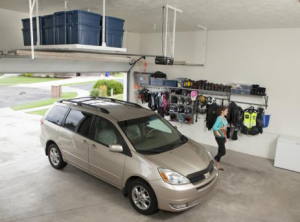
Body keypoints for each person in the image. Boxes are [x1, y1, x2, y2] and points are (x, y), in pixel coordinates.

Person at [212, 106, 228, 171]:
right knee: (223, 152)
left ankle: (218, 165)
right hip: (218, 136)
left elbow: (225, 129)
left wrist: (225, 137)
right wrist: (221, 128)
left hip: (222, 136)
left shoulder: (224, 119)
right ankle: (213, 159)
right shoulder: (219, 118)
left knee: (220, 151)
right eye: (226, 111)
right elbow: (214, 127)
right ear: (222, 111)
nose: (227, 112)